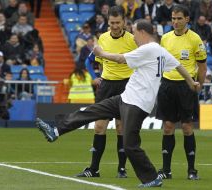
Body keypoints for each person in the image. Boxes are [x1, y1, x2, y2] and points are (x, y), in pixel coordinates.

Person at [36, 19, 200, 188]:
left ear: (143, 32)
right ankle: (56, 130)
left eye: (135, 32)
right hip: (126, 98)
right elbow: (179, 66)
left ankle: (152, 177)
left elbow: (120, 59)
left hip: (137, 104)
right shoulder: (160, 50)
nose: (134, 37)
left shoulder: (148, 49)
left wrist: (101, 53)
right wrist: (191, 82)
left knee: (130, 145)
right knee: (92, 111)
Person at [78, 6, 137, 178]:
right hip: (106, 86)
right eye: (112, 22)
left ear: (124, 22)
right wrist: (96, 77)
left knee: (121, 128)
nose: (115, 26)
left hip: (126, 86)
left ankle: (122, 169)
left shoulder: (133, 40)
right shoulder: (102, 38)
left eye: (118, 22)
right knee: (99, 127)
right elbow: (93, 60)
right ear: (108, 22)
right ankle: (94, 169)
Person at [155, 4, 207, 180]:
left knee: (186, 127)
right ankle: (166, 170)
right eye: (173, 18)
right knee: (168, 127)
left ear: (187, 19)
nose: (175, 22)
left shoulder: (195, 39)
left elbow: (202, 65)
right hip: (167, 85)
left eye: (179, 18)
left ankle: (192, 171)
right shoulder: (165, 38)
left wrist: (198, 83)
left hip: (186, 87)